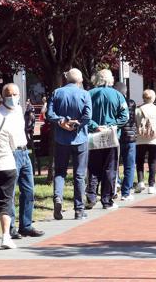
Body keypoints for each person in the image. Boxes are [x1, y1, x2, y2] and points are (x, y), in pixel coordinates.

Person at [0, 84, 44, 241]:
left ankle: (26, 224)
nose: (12, 98)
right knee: (9, 193)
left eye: (15, 94)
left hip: (24, 151)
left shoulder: (18, 109)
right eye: (9, 95)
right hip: (11, 153)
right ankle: (10, 228)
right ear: (3, 96)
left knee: (28, 190)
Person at [46, 68, 92, 220]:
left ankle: (57, 197)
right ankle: (79, 209)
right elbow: (87, 116)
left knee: (60, 171)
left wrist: (61, 121)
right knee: (79, 174)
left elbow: (50, 114)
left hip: (61, 138)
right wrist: (76, 124)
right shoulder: (85, 94)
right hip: (80, 138)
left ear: (66, 79)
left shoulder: (57, 93)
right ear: (80, 81)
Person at [86, 70, 129, 210]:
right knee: (110, 168)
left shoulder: (89, 94)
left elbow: (84, 115)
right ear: (110, 80)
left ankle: (91, 196)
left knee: (93, 167)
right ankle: (106, 200)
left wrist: (94, 126)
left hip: (94, 135)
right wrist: (111, 125)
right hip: (112, 135)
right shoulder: (118, 95)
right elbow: (125, 116)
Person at [0, 92, 19, 250]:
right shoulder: (5, 121)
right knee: (5, 202)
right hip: (6, 164)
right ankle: (6, 236)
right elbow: (13, 144)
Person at [135, 89, 156, 194]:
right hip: (155, 138)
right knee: (152, 161)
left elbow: (135, 124)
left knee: (140, 160)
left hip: (140, 138)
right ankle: (151, 185)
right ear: (153, 98)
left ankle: (140, 182)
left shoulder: (138, 110)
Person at [114, 81, 137, 201]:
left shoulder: (113, 103)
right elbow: (133, 119)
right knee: (129, 165)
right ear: (125, 91)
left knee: (114, 163)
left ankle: (115, 184)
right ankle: (126, 192)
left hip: (116, 137)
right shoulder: (131, 103)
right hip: (130, 137)